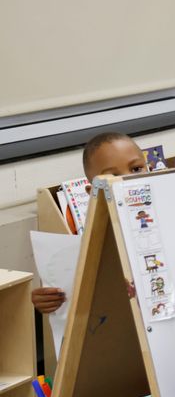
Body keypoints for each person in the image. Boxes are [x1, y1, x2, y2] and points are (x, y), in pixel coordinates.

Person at [31, 132, 148, 314]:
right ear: (92, 192)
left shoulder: (174, 215)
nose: (128, 181)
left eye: (136, 169)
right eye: (111, 176)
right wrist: (46, 300)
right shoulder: (88, 243)